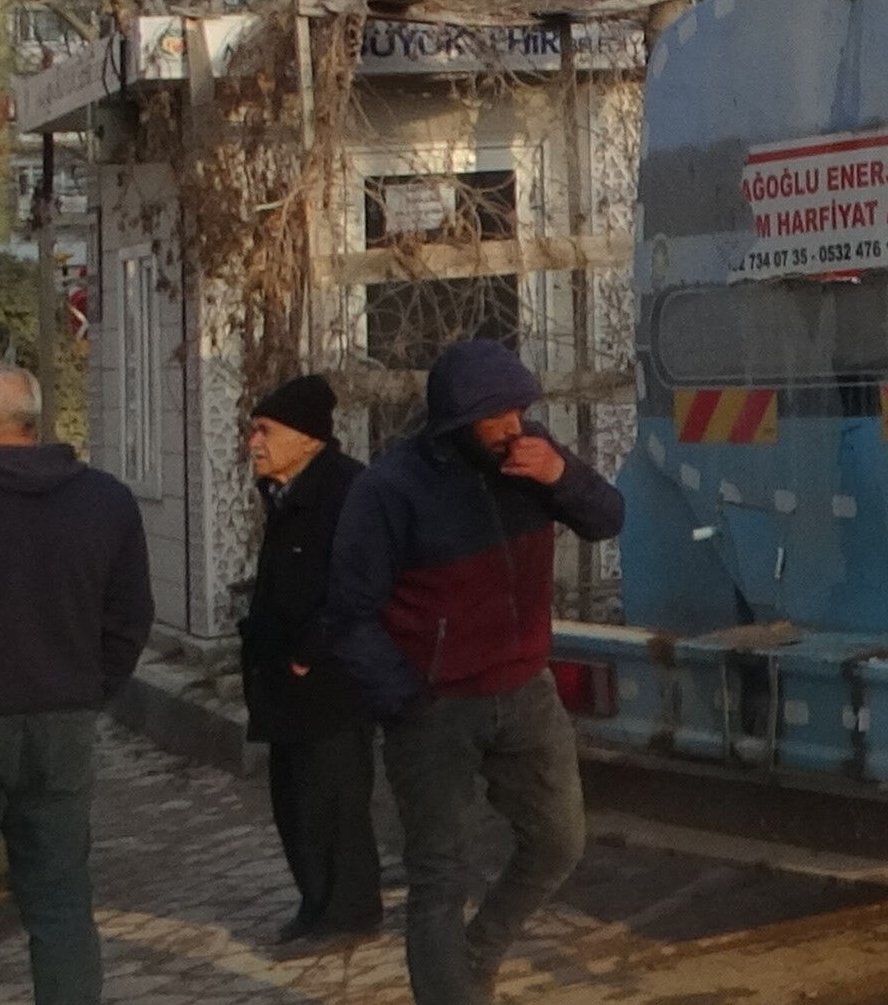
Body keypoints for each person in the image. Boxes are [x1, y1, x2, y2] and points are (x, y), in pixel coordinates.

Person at [325, 340, 622, 1005]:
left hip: (524, 689)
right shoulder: (389, 489)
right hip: (434, 707)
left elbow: (608, 518)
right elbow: (348, 614)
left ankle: (477, 956)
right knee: (439, 876)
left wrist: (559, 476)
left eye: (521, 409)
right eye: (498, 416)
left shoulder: (532, 456)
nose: (514, 425)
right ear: (457, 423)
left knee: (558, 843)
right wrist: (406, 699)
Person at [0, 359, 150, 1005]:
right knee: (59, 900)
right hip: (65, 719)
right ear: (34, 421)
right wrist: (90, 686)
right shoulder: (105, 499)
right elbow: (132, 615)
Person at [241, 373, 381, 950]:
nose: (253, 442)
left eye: (265, 430)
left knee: (334, 800)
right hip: (285, 683)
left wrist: (307, 654)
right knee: (295, 799)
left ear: (306, 438)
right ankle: (317, 905)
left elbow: (358, 588)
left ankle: (348, 911)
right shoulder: (284, 491)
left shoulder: (347, 492)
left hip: (329, 681)